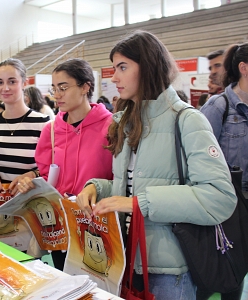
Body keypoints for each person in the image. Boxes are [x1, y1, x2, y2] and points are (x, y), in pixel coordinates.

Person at [76, 30, 236, 300]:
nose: (114, 77)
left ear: (148, 66)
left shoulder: (186, 120)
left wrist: (140, 203)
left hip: (169, 271)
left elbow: (219, 197)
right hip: (124, 259)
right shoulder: (124, 120)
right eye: (114, 68)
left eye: (123, 67)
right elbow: (132, 185)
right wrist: (98, 189)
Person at [17, 58, 113, 270]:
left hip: (97, 225)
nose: (56, 94)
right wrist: (32, 181)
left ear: (85, 87)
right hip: (60, 225)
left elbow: (118, 177)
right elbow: (46, 175)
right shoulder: (51, 130)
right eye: (54, 88)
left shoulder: (111, 127)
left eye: (63, 87)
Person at [200, 42, 248, 300]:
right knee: (219, 273)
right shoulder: (219, 107)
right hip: (227, 205)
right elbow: (197, 158)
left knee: (239, 271)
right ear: (244, 68)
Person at [0, 58, 50, 193]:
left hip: (29, 204)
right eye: (0, 82)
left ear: (24, 83)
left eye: (12, 82)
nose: (5, 88)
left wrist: (33, 175)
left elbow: (53, 166)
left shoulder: (43, 124)